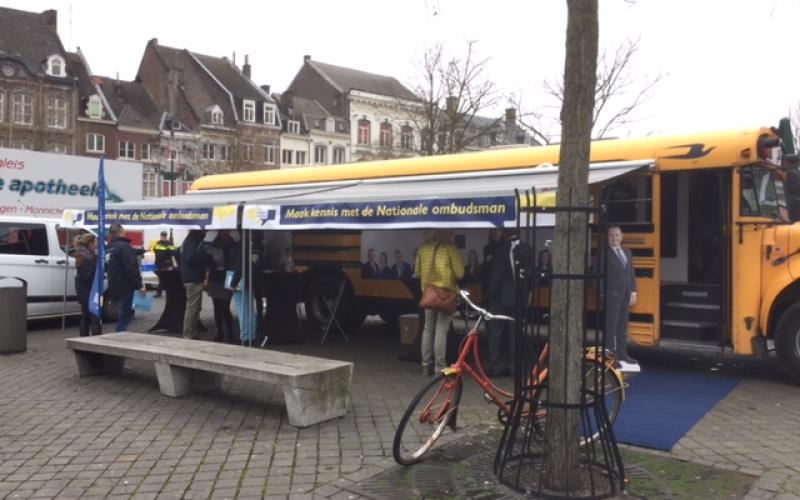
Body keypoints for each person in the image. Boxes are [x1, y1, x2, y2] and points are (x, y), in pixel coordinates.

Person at [414, 229, 464, 376]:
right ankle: (439, 368)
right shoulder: (450, 248)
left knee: (428, 328)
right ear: (447, 233)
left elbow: (417, 271)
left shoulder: (423, 248)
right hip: (445, 295)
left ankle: (425, 365)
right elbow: (460, 273)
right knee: (441, 330)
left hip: (428, 294)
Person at [484, 229, 530, 377]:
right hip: (520, 298)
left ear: (504, 233)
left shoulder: (501, 249)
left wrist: (488, 296)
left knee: (495, 333)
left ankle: (494, 366)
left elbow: (497, 276)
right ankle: (514, 367)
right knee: (515, 334)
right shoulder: (527, 248)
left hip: (501, 298)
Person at [604, 226, 639, 372]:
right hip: (612, 296)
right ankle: (611, 358)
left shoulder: (627, 252)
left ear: (622, 236)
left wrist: (633, 292)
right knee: (610, 328)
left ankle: (622, 355)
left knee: (622, 327)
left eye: (617, 235)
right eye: (612, 236)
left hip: (626, 296)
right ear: (608, 238)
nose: (615, 238)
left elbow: (630, 272)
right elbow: (600, 276)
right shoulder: (604, 254)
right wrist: (603, 294)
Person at [107, 223, 146, 332]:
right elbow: (131, 268)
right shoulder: (124, 247)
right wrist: (139, 285)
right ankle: (119, 338)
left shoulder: (110, 248)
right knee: (125, 316)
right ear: (121, 233)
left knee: (122, 314)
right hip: (125, 287)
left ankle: (120, 336)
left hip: (114, 286)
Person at [180, 229, 210, 339]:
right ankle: (188, 334)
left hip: (190, 277)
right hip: (193, 278)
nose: (206, 232)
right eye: (205, 230)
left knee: (195, 307)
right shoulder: (192, 241)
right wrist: (205, 256)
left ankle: (192, 331)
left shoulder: (188, 241)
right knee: (192, 307)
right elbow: (190, 259)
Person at [206, 231, 235, 343]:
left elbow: (235, 261)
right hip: (215, 278)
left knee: (225, 306)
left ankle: (229, 331)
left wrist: (226, 264)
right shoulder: (214, 244)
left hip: (227, 277)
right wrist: (213, 263)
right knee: (217, 307)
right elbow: (207, 260)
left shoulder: (233, 245)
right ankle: (219, 331)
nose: (224, 234)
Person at [228, 230, 257, 344]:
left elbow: (239, 266)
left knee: (242, 310)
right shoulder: (254, 244)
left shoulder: (241, 246)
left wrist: (233, 283)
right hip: (251, 280)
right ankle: (252, 336)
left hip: (241, 280)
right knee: (250, 310)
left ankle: (245, 338)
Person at [73, 233, 101, 336]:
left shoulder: (82, 255)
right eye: (95, 243)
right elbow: (88, 278)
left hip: (83, 292)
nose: (97, 245)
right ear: (90, 243)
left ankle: (83, 339)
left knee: (85, 317)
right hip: (89, 293)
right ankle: (95, 342)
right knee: (94, 319)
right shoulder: (86, 259)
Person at [153, 231, 175, 298]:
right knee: (162, 278)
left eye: (164, 236)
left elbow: (172, 253)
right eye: (162, 235)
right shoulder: (158, 243)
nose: (163, 237)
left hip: (166, 263)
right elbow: (155, 250)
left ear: (166, 236)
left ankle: (159, 293)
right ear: (160, 236)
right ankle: (164, 292)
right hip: (159, 263)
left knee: (163, 279)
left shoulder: (169, 243)